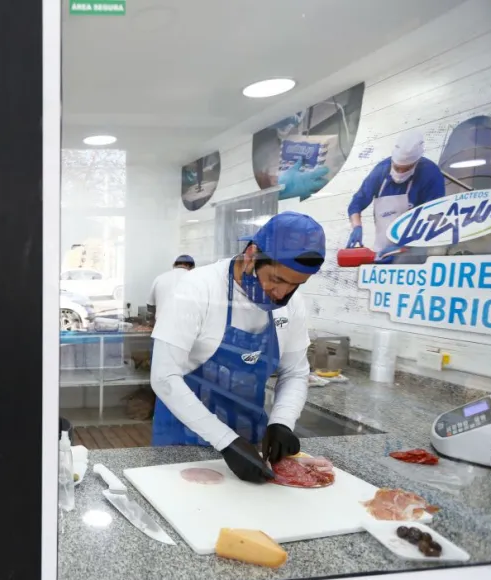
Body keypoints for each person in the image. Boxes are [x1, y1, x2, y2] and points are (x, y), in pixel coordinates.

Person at [150, 211, 325, 483]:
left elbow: (294, 372)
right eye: (277, 280)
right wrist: (225, 441)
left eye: (295, 285)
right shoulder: (197, 288)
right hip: (182, 439)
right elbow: (164, 376)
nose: (282, 294)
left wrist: (282, 422)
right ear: (252, 255)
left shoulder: (292, 303)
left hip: (250, 443)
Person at [346, 129, 445, 258]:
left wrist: (405, 249)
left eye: (407, 168)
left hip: (415, 252)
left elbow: (434, 217)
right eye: (397, 167)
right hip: (382, 249)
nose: (400, 172)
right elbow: (357, 201)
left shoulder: (430, 174)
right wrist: (356, 227)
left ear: (416, 162)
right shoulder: (381, 170)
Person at [146, 254, 195, 323]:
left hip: (162, 326)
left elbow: (150, 306)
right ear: (192, 267)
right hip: (186, 326)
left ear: (174, 265)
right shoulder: (194, 279)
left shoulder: (159, 278)